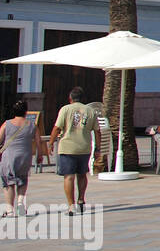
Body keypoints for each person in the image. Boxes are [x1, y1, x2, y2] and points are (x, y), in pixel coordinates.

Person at [49, 87, 95, 215]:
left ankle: (71, 206)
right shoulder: (90, 110)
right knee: (82, 175)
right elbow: (96, 130)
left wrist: (51, 143)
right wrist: (97, 149)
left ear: (70, 99)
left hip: (67, 147)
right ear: (83, 99)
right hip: (84, 147)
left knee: (68, 177)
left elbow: (57, 128)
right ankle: (81, 199)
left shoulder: (65, 109)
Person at [0, 101, 44, 217]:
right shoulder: (32, 125)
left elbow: (0, 139)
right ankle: (20, 203)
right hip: (25, 157)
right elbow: (39, 142)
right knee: (22, 180)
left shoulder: (7, 124)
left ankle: (9, 210)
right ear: (26, 111)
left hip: (8, 157)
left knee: (8, 183)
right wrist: (39, 155)